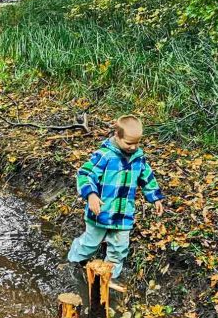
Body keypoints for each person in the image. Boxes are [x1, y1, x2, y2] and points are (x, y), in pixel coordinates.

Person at [67, 115, 165, 279]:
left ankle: (108, 277)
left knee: (119, 249)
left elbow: (147, 178)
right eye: (128, 143)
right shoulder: (105, 155)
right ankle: (75, 262)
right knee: (90, 244)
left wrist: (155, 197)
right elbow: (85, 174)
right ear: (116, 136)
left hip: (123, 215)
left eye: (137, 143)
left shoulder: (138, 159)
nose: (133, 147)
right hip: (100, 212)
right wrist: (91, 195)